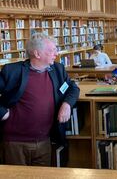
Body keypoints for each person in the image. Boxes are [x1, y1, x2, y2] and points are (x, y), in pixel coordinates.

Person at [0, 33, 80, 166]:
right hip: (15, 143)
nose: (56, 53)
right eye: (52, 50)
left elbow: (73, 88)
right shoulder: (12, 71)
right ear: (37, 54)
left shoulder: (57, 70)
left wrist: (67, 104)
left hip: (44, 142)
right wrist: (2, 112)